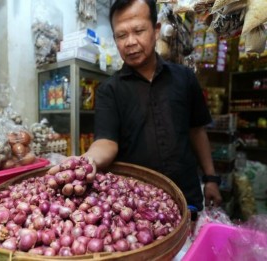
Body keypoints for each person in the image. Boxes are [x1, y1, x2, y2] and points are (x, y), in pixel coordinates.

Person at [49, 0, 222, 212]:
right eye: (121, 35)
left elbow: (197, 130)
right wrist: (85, 162)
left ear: (156, 30)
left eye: (139, 30)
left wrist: (211, 178)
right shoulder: (109, 90)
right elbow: (106, 142)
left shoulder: (185, 78)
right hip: (136, 204)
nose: (130, 42)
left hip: (187, 196)